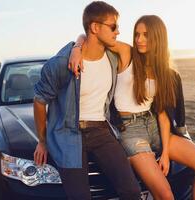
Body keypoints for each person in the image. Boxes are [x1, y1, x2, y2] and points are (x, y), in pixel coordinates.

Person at [69, 15, 195, 200]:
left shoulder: (164, 72)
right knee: (165, 195)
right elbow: (94, 35)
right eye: (137, 34)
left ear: (158, 38)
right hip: (130, 130)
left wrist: (165, 153)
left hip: (154, 125)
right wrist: (77, 47)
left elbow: (163, 114)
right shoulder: (127, 53)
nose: (139, 39)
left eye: (146, 35)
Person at [33, 1, 141, 200]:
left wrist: (78, 43)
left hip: (101, 130)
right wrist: (42, 140)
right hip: (68, 134)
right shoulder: (60, 64)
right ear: (95, 27)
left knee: (132, 191)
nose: (118, 32)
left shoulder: (113, 57)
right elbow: (39, 101)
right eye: (113, 26)